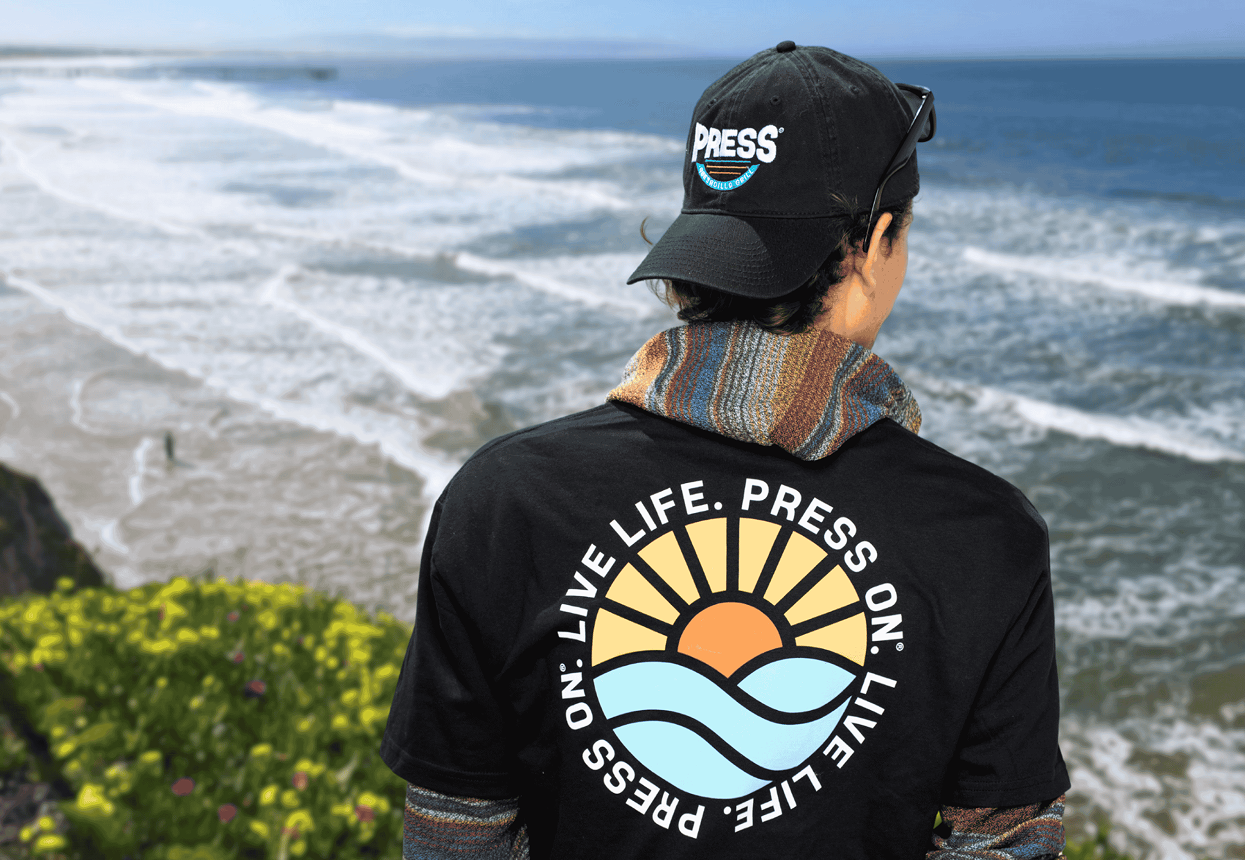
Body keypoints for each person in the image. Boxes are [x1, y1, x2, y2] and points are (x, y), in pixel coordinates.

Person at [381, 41, 1070, 859]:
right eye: (903, 235)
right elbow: (1006, 845)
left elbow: (456, 837)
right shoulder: (984, 534)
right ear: (873, 244)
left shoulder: (501, 498)